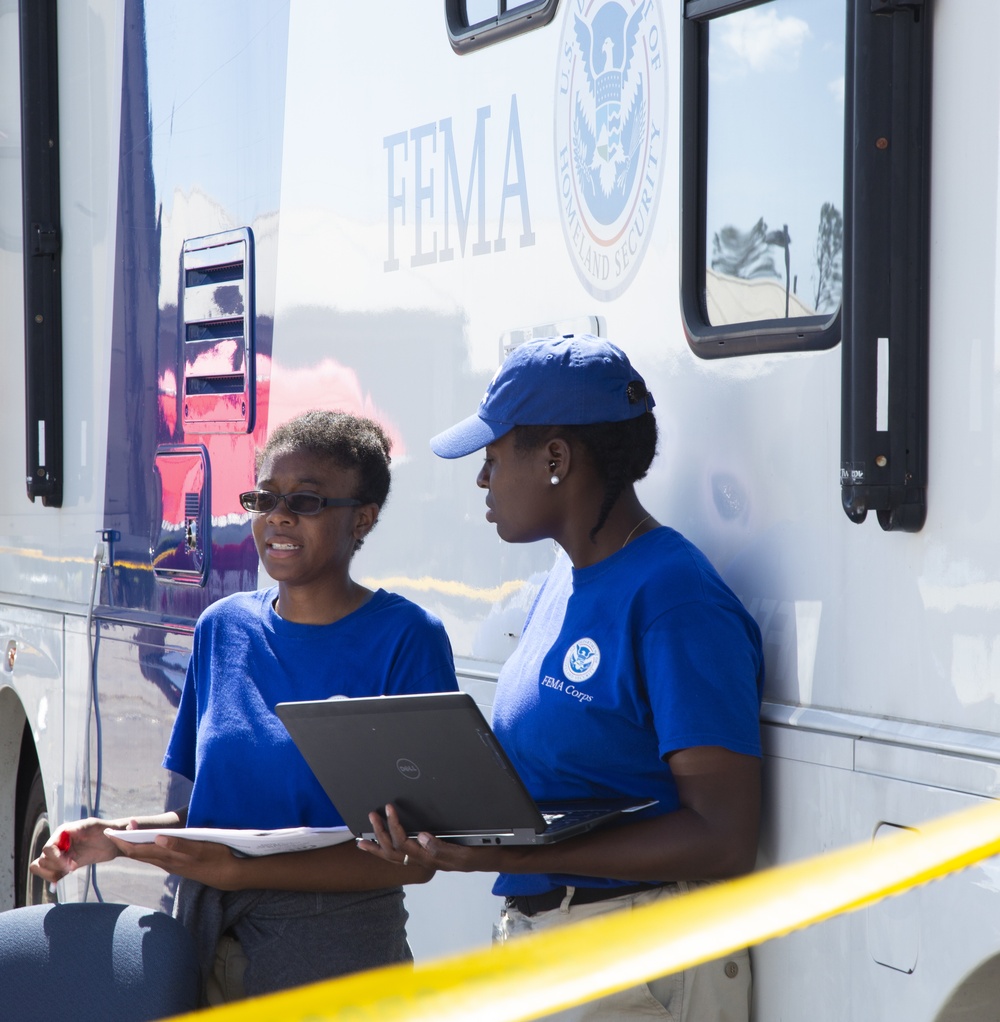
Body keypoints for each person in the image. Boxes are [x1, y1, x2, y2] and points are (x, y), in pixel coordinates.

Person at [360, 335, 764, 1021]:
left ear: (555, 458)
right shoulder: (563, 580)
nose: (482, 481)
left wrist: (498, 858)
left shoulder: (674, 597)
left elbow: (723, 836)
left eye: (492, 458)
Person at [31, 410, 458, 1004]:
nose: (278, 516)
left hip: (341, 966)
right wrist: (118, 838)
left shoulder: (408, 638)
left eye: (306, 502)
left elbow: (415, 858)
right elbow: (214, 817)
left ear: (363, 518)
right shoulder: (221, 627)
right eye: (264, 498)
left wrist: (237, 871)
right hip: (204, 951)